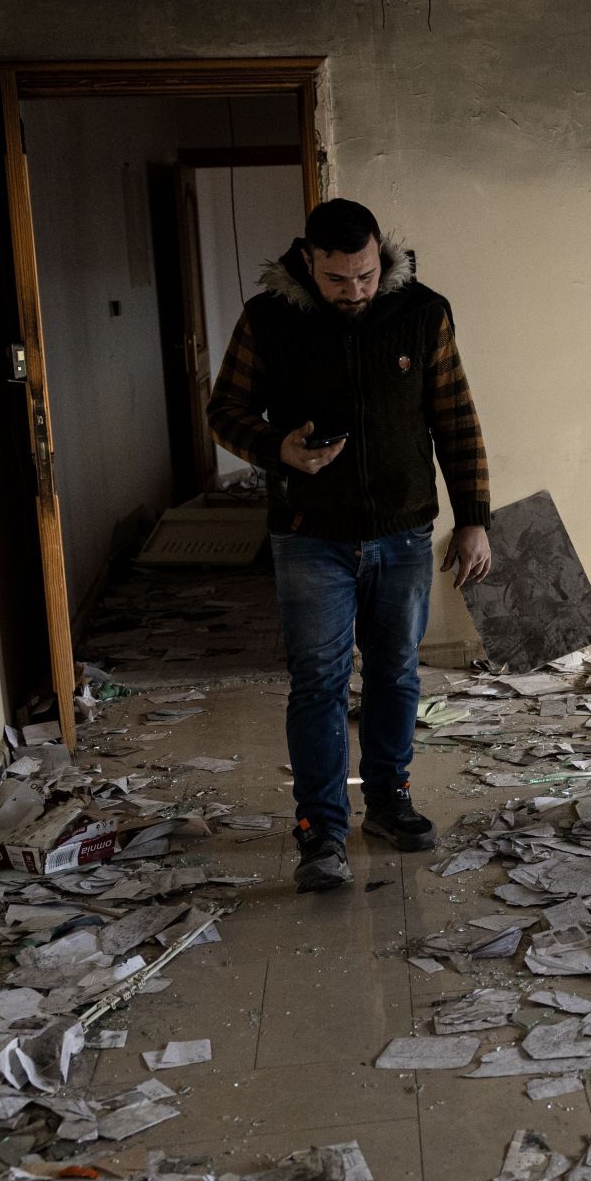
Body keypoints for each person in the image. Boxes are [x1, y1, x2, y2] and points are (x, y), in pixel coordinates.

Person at [207, 199, 492, 893]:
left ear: (380, 256)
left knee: (396, 675)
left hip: (402, 532)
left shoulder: (423, 312)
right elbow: (225, 413)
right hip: (310, 541)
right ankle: (321, 833)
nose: (355, 291)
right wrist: (278, 450)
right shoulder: (269, 319)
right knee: (320, 686)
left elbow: (455, 417)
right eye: (338, 280)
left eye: (365, 275)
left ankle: (389, 802)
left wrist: (475, 515)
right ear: (309, 262)